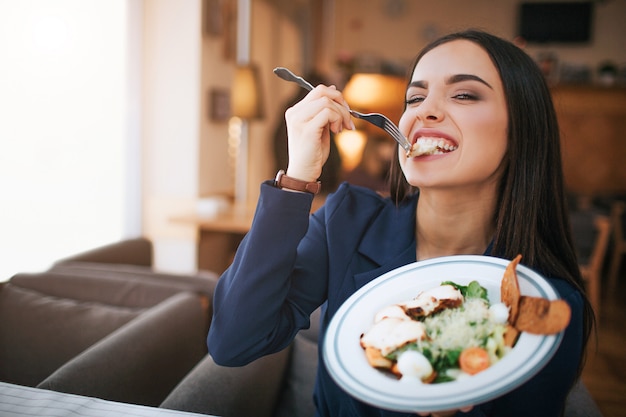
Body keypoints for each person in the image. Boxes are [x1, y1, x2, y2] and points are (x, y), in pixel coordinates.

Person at [207, 29, 594, 417]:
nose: (425, 110)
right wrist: (297, 178)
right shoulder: (348, 222)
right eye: (415, 97)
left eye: (463, 94)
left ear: (522, 129)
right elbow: (233, 342)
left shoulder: (546, 304)